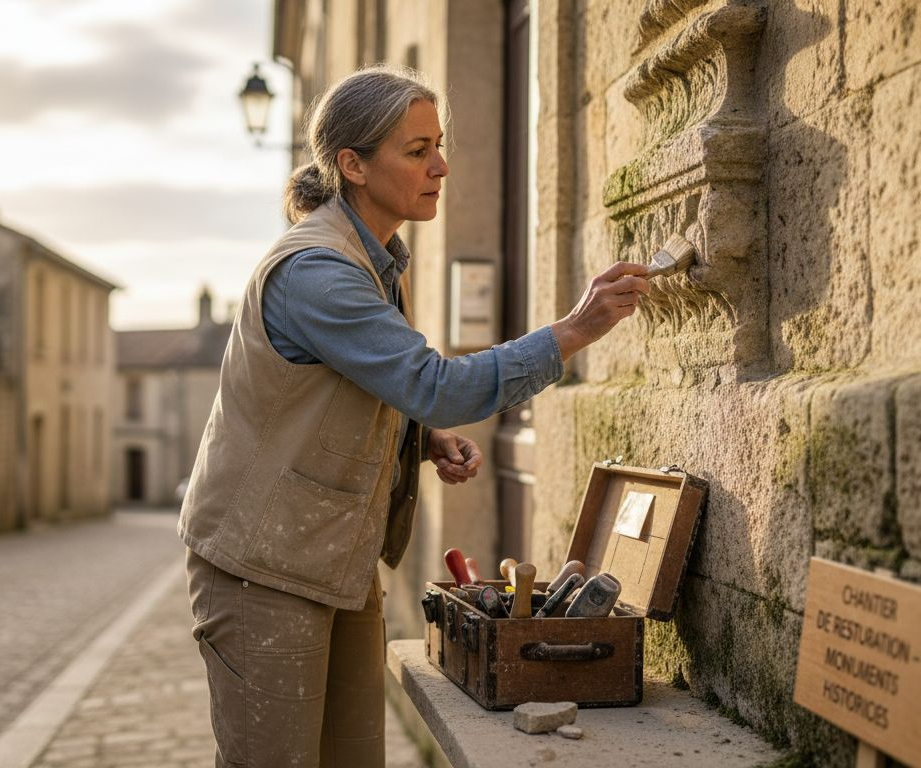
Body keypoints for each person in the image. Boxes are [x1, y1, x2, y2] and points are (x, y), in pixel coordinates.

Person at [180, 64, 650, 768]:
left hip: (332, 558)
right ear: (353, 165)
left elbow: (359, 386)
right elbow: (435, 384)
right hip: (262, 569)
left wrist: (420, 437)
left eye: (439, 144)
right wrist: (572, 332)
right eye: (417, 150)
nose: (442, 165)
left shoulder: (371, 259)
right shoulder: (318, 269)